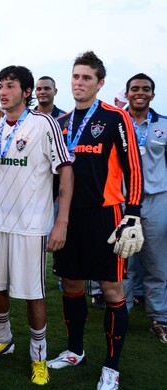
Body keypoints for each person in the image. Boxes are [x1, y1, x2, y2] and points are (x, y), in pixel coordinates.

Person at [47, 51, 144, 390]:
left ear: (100, 83)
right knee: (71, 284)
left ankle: (112, 367)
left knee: (111, 288)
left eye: (86, 78)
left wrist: (132, 215)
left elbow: (133, 167)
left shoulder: (116, 117)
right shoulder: (61, 123)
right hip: (69, 217)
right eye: (75, 77)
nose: (79, 83)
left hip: (107, 215)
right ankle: (75, 350)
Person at [0, 65, 73, 386]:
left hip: (32, 225)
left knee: (33, 293)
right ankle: (3, 337)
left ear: (26, 91)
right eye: (0, 86)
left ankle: (38, 355)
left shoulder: (43, 123)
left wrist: (60, 221)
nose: (3, 92)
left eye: (10, 86)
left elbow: (66, 169)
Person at [123, 73, 167, 343]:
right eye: (135, 88)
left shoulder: (163, 125)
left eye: (146, 89)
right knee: (124, 263)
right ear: (127, 93)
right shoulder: (117, 122)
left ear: (152, 95)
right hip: (124, 200)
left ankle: (160, 319)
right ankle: (121, 314)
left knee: (156, 263)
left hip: (156, 199)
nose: (140, 92)